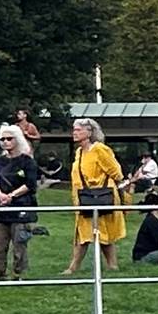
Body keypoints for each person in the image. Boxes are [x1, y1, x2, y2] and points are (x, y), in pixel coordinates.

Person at [64, 118, 128, 275]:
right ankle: (74, 267)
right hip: (83, 198)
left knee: (102, 233)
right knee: (83, 233)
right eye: (74, 129)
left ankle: (109, 266)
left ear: (89, 132)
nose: (74, 132)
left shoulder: (100, 149)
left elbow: (117, 173)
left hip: (101, 197)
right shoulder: (79, 152)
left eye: (78, 129)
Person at [0, 127, 40, 280]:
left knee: (20, 243)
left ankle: (18, 273)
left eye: (9, 139)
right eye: (2, 139)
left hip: (22, 207)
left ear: (18, 139)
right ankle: (0, 272)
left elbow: (30, 183)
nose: (5, 142)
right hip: (1, 208)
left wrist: (11, 195)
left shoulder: (27, 161)